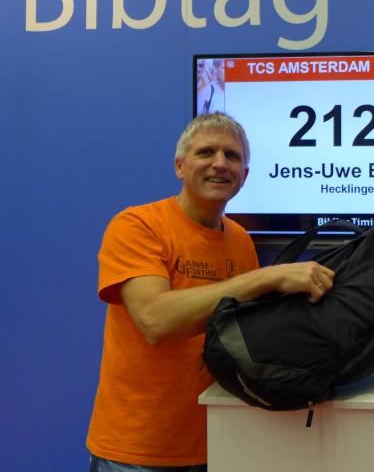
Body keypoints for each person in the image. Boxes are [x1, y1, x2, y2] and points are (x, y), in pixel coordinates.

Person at [86, 112, 335, 471]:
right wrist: (266, 278)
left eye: (232, 156)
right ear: (179, 166)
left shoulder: (241, 241)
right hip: (136, 451)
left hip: (219, 439)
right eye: (206, 152)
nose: (220, 163)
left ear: (244, 176)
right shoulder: (136, 226)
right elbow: (155, 321)